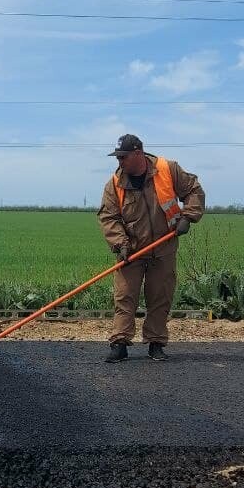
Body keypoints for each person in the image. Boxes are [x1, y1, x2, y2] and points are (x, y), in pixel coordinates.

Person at [96, 134, 205, 362]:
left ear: (138, 154)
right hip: (132, 250)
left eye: (123, 157)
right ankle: (120, 343)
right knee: (125, 296)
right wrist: (120, 244)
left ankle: (156, 343)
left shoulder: (168, 169)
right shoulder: (115, 183)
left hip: (163, 246)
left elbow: (193, 190)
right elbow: (109, 217)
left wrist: (189, 216)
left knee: (160, 295)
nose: (120, 162)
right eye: (118, 158)